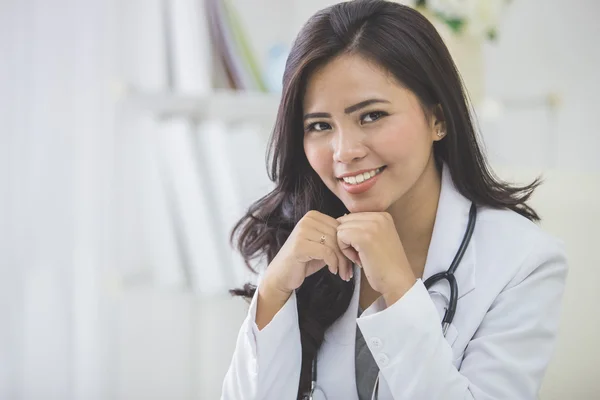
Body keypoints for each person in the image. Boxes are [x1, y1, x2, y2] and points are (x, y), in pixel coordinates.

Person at [221, 0, 568, 399]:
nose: (343, 151)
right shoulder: (298, 237)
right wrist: (274, 290)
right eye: (319, 125)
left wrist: (399, 288)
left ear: (438, 118)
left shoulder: (525, 262)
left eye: (371, 116)